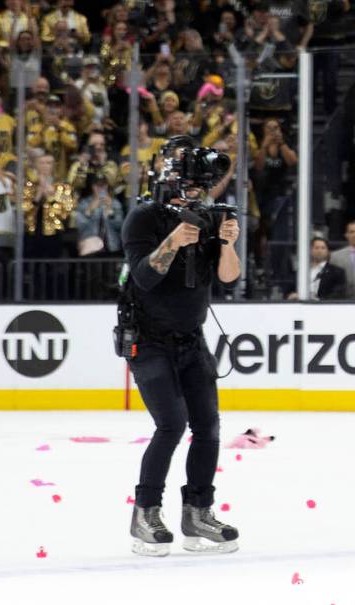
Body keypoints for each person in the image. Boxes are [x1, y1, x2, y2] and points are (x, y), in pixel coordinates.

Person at [120, 136, 241, 557]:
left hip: (193, 339)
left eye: (201, 187)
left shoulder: (210, 218)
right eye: (189, 186)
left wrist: (226, 241)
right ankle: (146, 513)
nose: (196, 194)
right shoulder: (144, 218)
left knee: (207, 426)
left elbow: (228, 277)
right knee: (170, 424)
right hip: (149, 340)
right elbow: (142, 277)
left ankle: (198, 512)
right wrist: (172, 242)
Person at [295, 236, 346, 300]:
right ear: (310, 250)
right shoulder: (301, 270)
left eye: (323, 248)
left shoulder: (337, 272)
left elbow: (338, 295)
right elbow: (289, 289)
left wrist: (319, 300)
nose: (319, 251)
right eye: (316, 248)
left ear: (328, 251)